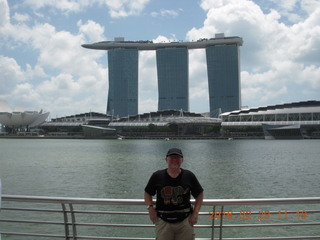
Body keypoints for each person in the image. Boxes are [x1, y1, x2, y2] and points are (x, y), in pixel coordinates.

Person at [144, 148, 204, 240]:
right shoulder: (157, 176)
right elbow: (147, 193)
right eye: (172, 158)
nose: (175, 160)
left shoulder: (189, 175)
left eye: (177, 158)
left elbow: (199, 194)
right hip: (163, 221)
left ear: (182, 160)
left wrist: (195, 213)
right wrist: (150, 208)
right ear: (166, 159)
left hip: (185, 220)